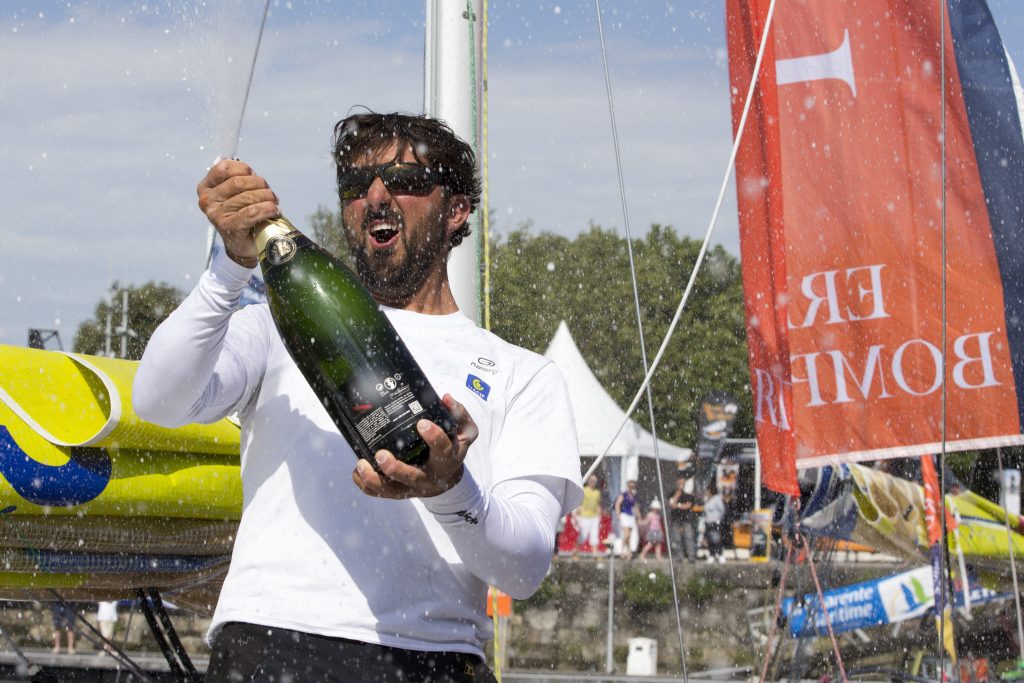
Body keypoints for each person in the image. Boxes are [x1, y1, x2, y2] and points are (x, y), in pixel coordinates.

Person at [133, 111, 583, 683]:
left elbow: (522, 569)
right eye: (356, 183)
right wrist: (230, 267)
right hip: (268, 641)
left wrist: (450, 489)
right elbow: (158, 399)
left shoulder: (526, 375)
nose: (376, 196)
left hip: (435, 658)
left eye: (405, 180)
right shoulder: (276, 323)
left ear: (457, 209)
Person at [669, 467, 698, 562]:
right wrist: (678, 493)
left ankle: (691, 557)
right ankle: (679, 557)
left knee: (688, 538)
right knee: (677, 539)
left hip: (686, 519)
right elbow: (671, 503)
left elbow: (688, 506)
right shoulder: (673, 493)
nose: (681, 481)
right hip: (675, 519)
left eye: (682, 479)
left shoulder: (688, 494)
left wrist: (677, 505)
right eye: (679, 479)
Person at [572, 474, 603, 556]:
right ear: (588, 481)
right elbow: (579, 503)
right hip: (584, 517)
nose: (593, 483)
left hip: (594, 517)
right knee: (583, 536)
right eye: (591, 481)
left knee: (594, 536)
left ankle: (595, 554)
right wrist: (577, 513)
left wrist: (599, 516)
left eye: (594, 481)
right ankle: (575, 553)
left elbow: (598, 504)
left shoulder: (597, 493)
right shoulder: (584, 490)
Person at [614, 480, 639, 560]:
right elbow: (617, 504)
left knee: (629, 537)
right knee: (626, 534)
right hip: (624, 514)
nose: (632, 488)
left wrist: (637, 515)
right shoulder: (624, 495)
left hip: (631, 516)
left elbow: (635, 507)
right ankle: (621, 551)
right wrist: (618, 514)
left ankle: (628, 552)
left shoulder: (634, 496)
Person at [703, 485, 726, 564]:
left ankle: (720, 554)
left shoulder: (717, 499)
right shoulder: (707, 499)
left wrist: (718, 518)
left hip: (715, 522)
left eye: (708, 491)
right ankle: (712, 554)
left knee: (717, 539)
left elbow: (722, 509)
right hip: (708, 522)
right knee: (710, 539)